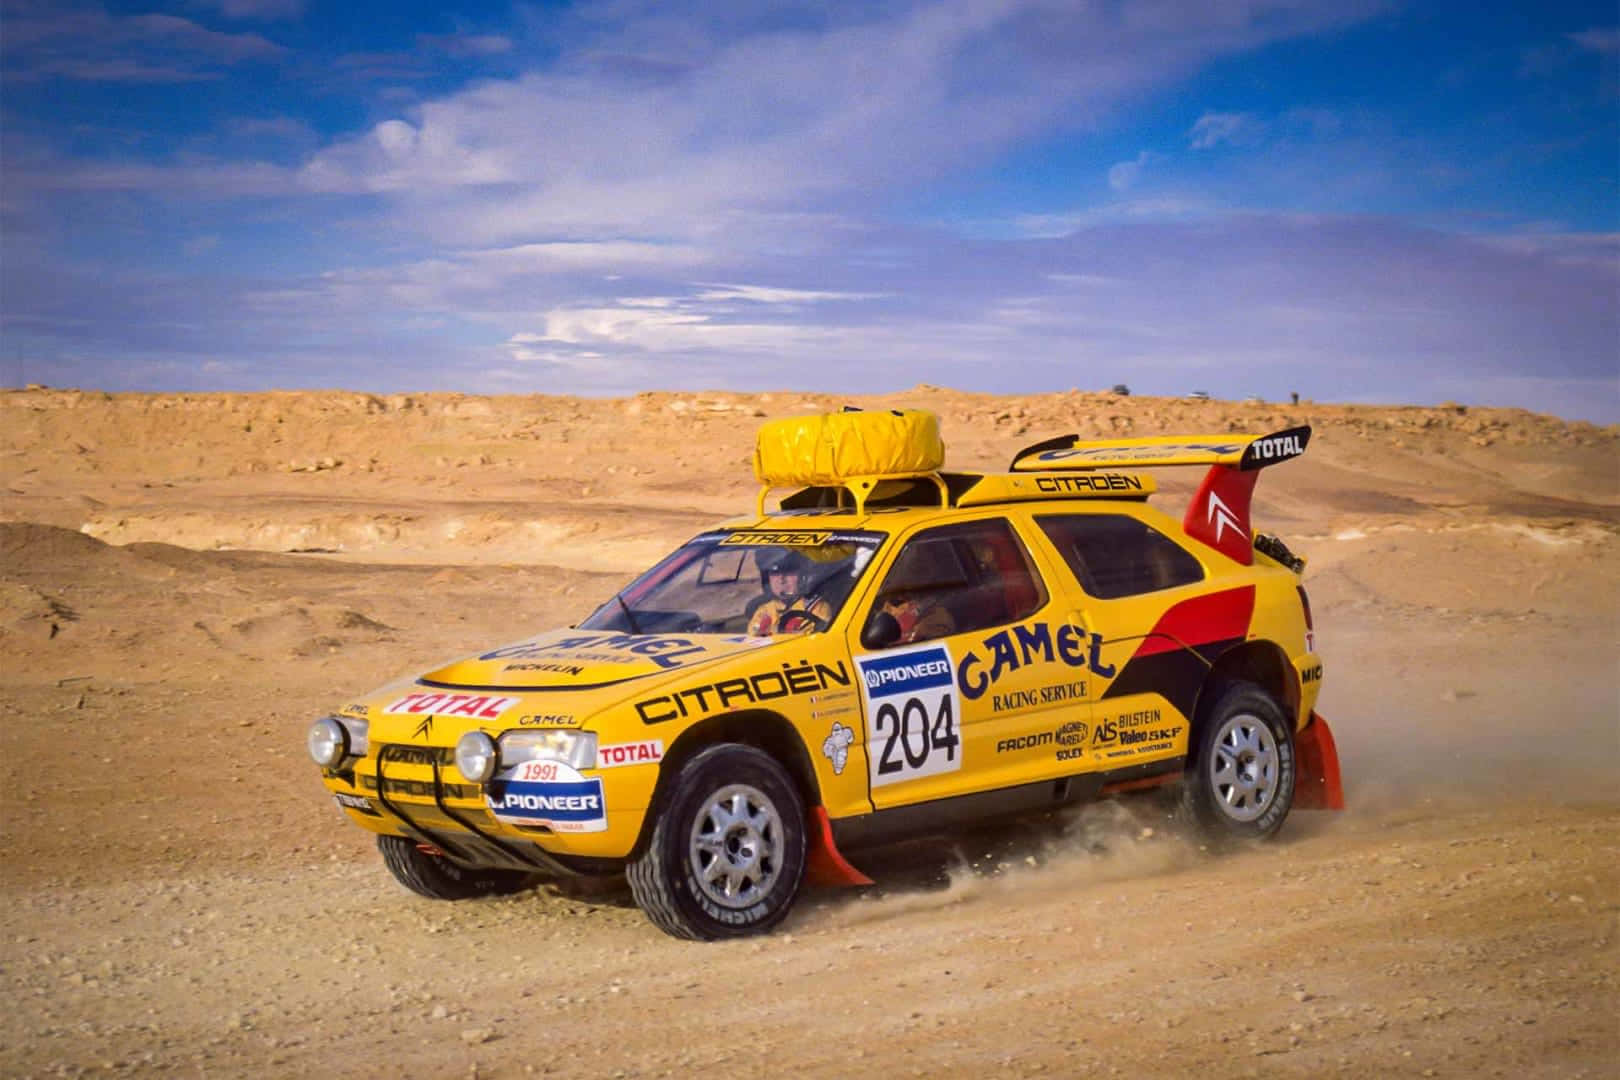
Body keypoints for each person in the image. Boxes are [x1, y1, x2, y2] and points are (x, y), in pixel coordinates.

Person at [747, 550, 831, 636]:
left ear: (802, 576)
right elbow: (752, 636)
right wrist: (759, 630)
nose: (781, 579)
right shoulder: (765, 610)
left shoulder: (816, 608)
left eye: (788, 573)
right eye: (775, 573)